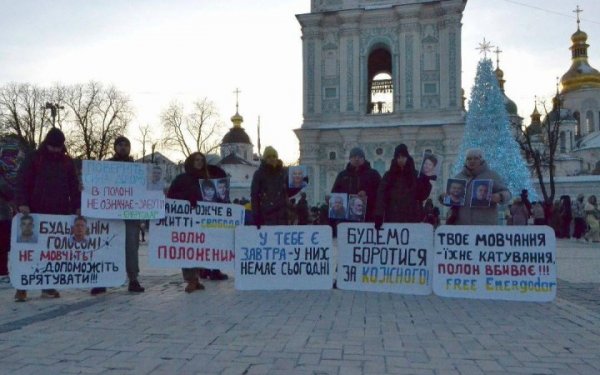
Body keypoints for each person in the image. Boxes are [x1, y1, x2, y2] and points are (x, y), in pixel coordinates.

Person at [14, 127, 80, 302]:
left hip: (58, 213)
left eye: (59, 147)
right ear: (47, 144)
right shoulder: (34, 158)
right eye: (53, 146)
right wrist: (22, 203)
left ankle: (48, 285)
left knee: (51, 253)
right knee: (27, 252)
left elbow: (74, 187)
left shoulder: (67, 162)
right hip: (33, 213)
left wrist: (77, 207)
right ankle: (22, 286)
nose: (56, 150)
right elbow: (21, 181)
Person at [168, 152, 230, 292]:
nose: (199, 162)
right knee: (188, 249)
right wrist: (188, 199)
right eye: (197, 160)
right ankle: (190, 279)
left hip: (204, 221)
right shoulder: (182, 179)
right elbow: (171, 197)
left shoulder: (207, 179)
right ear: (191, 162)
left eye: (202, 160)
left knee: (201, 249)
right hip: (187, 220)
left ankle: (197, 277)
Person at [90, 136, 144, 295]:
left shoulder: (137, 169)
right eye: (120, 145)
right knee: (105, 246)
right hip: (109, 215)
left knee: (131, 248)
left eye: (126, 145)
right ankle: (102, 280)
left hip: (130, 215)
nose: (123, 147)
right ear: (114, 147)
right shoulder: (105, 166)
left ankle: (133, 279)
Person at [442, 148, 511, 225]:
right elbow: (453, 200)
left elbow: (507, 193)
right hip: (461, 225)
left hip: (484, 225)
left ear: (481, 160)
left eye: (475, 158)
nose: (472, 161)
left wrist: (500, 196)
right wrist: (444, 198)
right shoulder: (459, 176)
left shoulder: (492, 175)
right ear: (466, 161)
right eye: (469, 159)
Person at [374, 144, 432, 228]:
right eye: (398, 157)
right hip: (393, 217)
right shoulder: (389, 176)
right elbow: (381, 195)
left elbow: (422, 195)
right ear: (395, 159)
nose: (401, 159)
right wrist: (379, 214)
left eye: (403, 157)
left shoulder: (415, 175)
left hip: (412, 218)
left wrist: (426, 181)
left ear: (407, 158)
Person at [251, 146, 302, 227]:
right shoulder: (259, 174)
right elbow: (254, 196)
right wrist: (256, 214)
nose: (272, 159)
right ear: (265, 159)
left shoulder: (284, 172)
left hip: (283, 216)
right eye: (269, 157)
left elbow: (288, 193)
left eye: (274, 156)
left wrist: (298, 185)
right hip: (266, 216)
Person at [331, 147, 381, 222]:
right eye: (354, 157)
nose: (357, 159)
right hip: (346, 218)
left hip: (368, 216)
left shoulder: (373, 174)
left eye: (360, 157)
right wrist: (331, 199)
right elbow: (335, 192)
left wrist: (367, 194)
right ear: (350, 159)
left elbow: (380, 193)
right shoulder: (342, 175)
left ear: (364, 159)